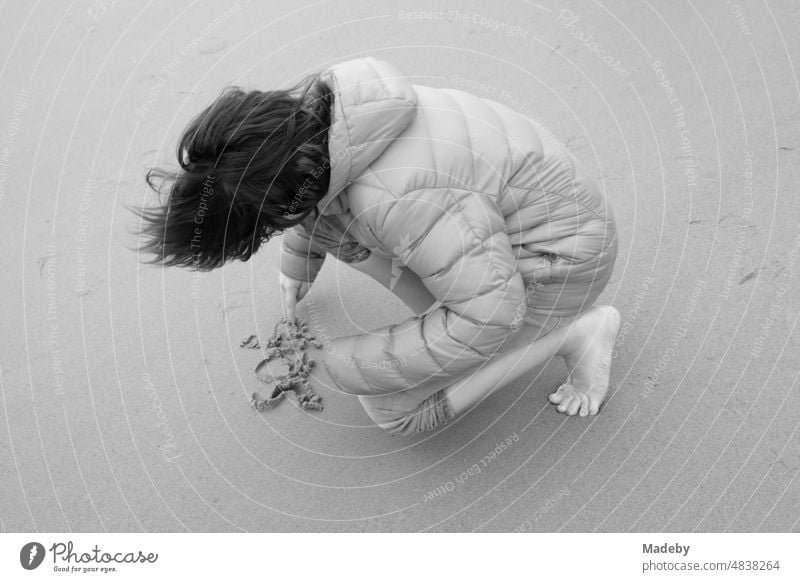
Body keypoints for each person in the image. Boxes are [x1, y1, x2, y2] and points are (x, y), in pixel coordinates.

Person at [137, 57, 620, 437]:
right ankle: (464, 304)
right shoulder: (337, 115)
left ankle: (576, 333)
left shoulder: (393, 197)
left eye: (267, 227)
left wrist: (353, 365)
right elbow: (310, 187)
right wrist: (297, 265)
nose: (274, 231)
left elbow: (493, 315)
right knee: (370, 241)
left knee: (392, 409)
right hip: (523, 223)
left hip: (562, 262)